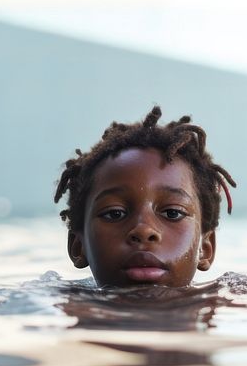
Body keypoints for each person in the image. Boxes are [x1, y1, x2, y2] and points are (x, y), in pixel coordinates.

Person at [54, 106, 237, 288]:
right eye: (115, 214)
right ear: (78, 245)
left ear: (205, 248)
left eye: (173, 213)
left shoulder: (240, 295)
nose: (144, 230)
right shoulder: (52, 299)